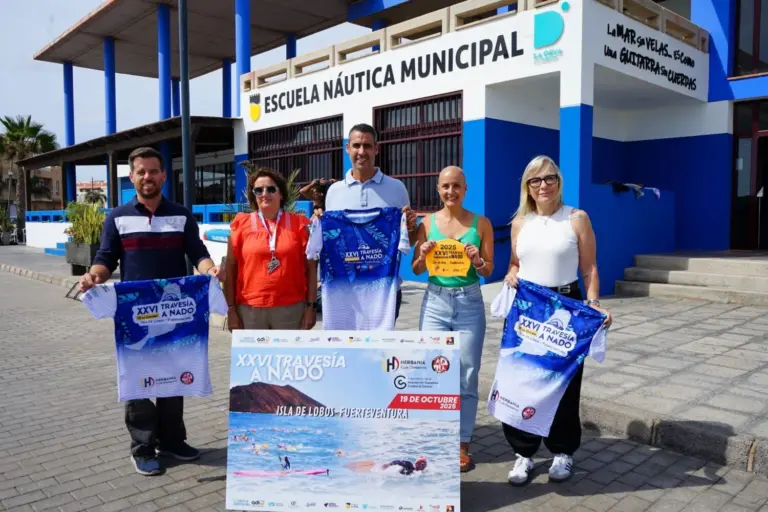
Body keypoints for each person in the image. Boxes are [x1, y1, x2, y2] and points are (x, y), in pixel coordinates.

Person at [79, 146, 221, 477]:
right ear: (132, 177)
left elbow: (197, 252)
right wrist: (93, 276)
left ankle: (173, 440)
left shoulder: (181, 214)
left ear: (163, 176)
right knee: (139, 382)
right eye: (141, 172)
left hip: (175, 314)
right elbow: (105, 258)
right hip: (135, 317)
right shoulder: (117, 217)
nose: (147, 177)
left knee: (173, 378)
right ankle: (143, 446)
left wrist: (210, 270)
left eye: (153, 171)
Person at [502, 155, 612, 485]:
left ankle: (562, 451)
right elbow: (514, 264)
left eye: (549, 178)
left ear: (559, 182)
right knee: (521, 381)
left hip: (566, 307)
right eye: (536, 180)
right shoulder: (520, 223)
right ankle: (524, 452)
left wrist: (593, 305)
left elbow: (589, 268)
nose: (544, 185)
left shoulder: (576, 218)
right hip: (529, 311)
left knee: (564, 384)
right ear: (528, 187)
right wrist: (510, 275)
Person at [411, 166, 494, 474]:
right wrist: (423, 253)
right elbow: (417, 268)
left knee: (467, 375)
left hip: (469, 302)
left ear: (465, 188)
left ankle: (462, 441)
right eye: (445, 186)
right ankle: (434, 436)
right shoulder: (427, 223)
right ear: (438, 189)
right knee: (432, 373)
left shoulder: (481, 223)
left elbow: (488, 270)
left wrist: (477, 260)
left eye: (456, 186)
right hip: (435, 302)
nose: (450, 192)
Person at [324, 123, 418, 320]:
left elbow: (408, 239)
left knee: (380, 350)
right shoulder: (334, 192)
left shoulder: (396, 188)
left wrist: (409, 227)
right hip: (345, 291)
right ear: (347, 148)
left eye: (367, 146)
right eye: (356, 145)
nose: (361, 151)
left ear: (377, 148)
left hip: (385, 291)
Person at [224, 168, 317, 331]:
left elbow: (311, 269)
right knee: (254, 357)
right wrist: (231, 310)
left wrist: (311, 307)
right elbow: (230, 271)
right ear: (254, 195)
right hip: (250, 310)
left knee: (288, 356)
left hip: (291, 310)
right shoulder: (240, 225)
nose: (264, 193)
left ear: (281, 194)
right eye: (258, 190)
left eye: (271, 189)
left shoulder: (299, 225)